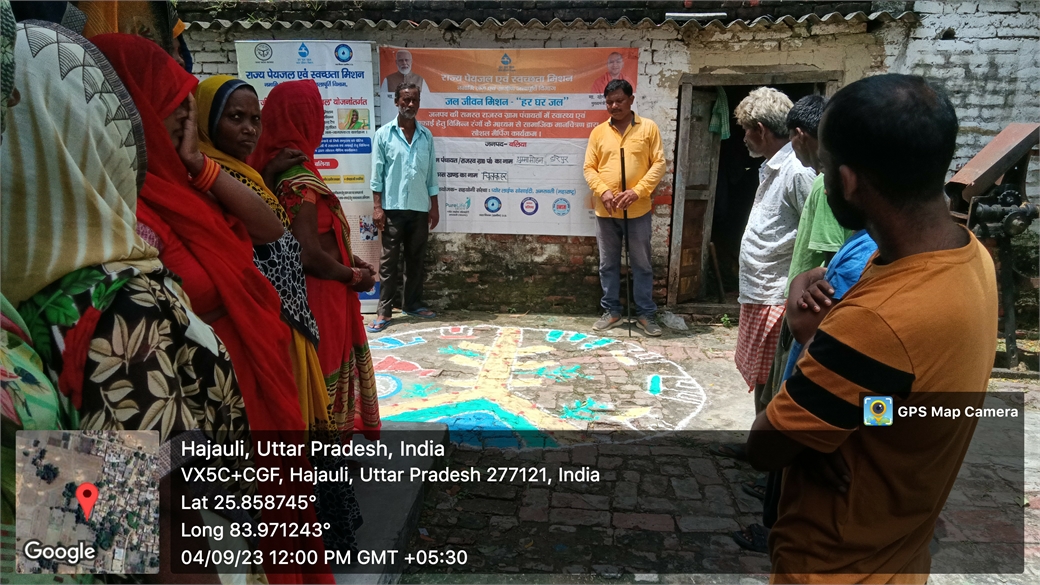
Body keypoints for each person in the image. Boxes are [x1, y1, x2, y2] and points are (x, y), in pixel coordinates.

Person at [1, 19, 264, 583]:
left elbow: (70, 520)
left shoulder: (24, 301)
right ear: (88, 140)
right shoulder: (120, 306)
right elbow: (163, 517)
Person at [92, 33, 334, 583]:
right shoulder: (111, 230)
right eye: (170, 103)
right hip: (188, 425)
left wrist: (200, 166)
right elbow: (113, 495)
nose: (186, 116)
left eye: (188, 104)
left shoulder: (177, 188)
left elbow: (270, 232)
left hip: (231, 400)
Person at [747, 74, 998, 583]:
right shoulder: (970, 258)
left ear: (849, 181)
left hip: (833, 565)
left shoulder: (877, 321)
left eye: (823, 166)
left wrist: (808, 335)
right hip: (899, 555)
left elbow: (766, 446)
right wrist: (852, 422)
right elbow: (913, 397)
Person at [196, 74, 367, 555]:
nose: (250, 128)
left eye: (256, 118)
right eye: (235, 117)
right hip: (249, 343)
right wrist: (351, 275)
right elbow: (295, 250)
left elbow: (275, 242)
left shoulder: (235, 176)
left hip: (272, 328)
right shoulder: (196, 188)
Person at [251, 79, 382, 440]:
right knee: (322, 372)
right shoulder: (300, 180)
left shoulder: (272, 171)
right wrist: (354, 276)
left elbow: (315, 237)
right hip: (318, 296)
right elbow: (307, 253)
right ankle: (323, 456)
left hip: (312, 293)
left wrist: (351, 258)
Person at [732, 87, 815, 415]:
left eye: (746, 130)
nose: (744, 139)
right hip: (760, 293)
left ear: (761, 130)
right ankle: (761, 433)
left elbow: (815, 229)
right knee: (762, 379)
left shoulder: (797, 171)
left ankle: (767, 438)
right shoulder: (773, 167)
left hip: (777, 297)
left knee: (774, 385)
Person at [583, 79, 666, 336]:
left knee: (641, 264)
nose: (614, 106)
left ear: (631, 99)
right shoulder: (598, 132)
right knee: (607, 264)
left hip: (638, 210)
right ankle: (612, 311)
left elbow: (659, 164)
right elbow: (589, 168)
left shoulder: (648, 128)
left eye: (619, 100)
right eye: (609, 102)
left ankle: (645, 314)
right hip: (606, 211)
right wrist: (604, 191)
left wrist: (637, 191)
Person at [367, 82, 440, 332]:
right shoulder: (384, 135)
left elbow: (431, 175)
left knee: (416, 259)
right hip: (392, 208)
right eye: (406, 100)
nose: (410, 104)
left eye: (414, 100)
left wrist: (434, 207)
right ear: (396, 102)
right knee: (389, 262)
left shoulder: (426, 136)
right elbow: (377, 174)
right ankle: (384, 311)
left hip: (419, 207)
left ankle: (412, 303)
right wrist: (377, 207)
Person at [379, 49, 430, 114]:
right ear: (396, 62)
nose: (404, 63)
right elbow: (383, 102)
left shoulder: (420, 80)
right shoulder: (388, 80)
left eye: (407, 60)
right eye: (401, 60)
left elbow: (427, 102)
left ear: (411, 61)